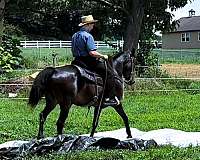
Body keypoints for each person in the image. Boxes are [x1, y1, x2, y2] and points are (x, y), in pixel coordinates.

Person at [71, 15, 119, 106]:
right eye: (92, 24)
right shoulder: (88, 36)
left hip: (76, 61)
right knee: (110, 74)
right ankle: (109, 98)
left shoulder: (74, 35)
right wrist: (102, 56)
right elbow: (92, 53)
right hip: (88, 62)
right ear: (88, 24)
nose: (93, 26)